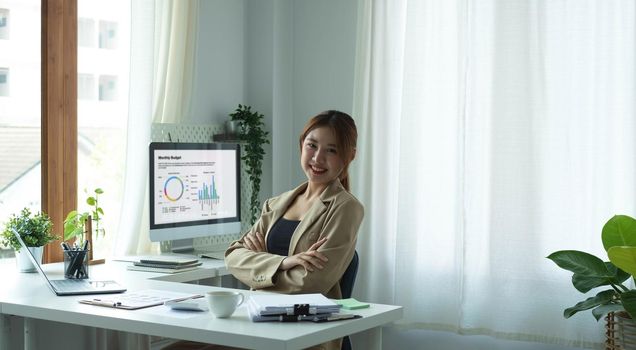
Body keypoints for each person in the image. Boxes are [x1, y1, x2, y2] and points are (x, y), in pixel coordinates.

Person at [224, 110, 364, 350]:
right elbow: (233, 257)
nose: (318, 158)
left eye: (332, 150)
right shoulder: (276, 204)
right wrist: (285, 263)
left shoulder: (346, 208)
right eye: (312, 145)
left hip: (307, 333)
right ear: (302, 146)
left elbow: (312, 281)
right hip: (259, 324)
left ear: (349, 156)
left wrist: (260, 267)